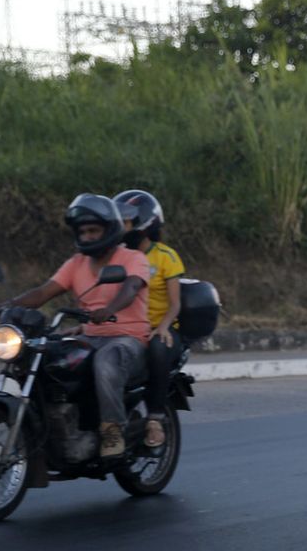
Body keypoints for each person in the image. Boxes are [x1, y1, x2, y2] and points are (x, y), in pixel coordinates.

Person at [0, 193, 151, 458]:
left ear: (110, 229)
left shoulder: (132, 258)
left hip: (129, 339)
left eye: (94, 230)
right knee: (44, 354)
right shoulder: (76, 263)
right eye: (83, 231)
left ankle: (112, 430)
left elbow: (132, 286)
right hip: (90, 336)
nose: (88, 236)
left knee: (107, 359)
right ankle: (55, 426)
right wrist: (8, 305)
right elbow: (44, 292)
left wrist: (110, 310)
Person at [113, 189, 185, 448]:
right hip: (128, 328)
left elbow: (175, 303)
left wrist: (164, 326)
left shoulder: (166, 256)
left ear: (143, 223)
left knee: (157, 346)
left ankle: (155, 417)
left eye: (126, 221)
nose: (120, 227)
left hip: (159, 328)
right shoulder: (116, 257)